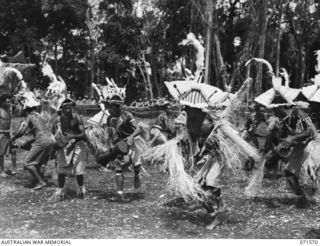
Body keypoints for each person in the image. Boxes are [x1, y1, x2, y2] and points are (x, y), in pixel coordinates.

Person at [96, 95, 143, 202]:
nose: (109, 110)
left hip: (133, 143)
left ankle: (136, 174)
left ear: (117, 106)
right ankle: (119, 194)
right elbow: (111, 134)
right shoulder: (109, 119)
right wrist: (111, 146)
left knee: (137, 167)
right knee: (118, 170)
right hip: (120, 145)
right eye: (108, 108)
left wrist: (131, 137)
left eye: (111, 107)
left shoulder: (127, 115)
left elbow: (139, 129)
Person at [9, 94, 56, 190]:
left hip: (43, 140)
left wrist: (13, 139)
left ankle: (41, 182)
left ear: (26, 108)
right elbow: (41, 130)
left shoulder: (30, 116)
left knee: (27, 163)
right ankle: (37, 180)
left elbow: (22, 132)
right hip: (51, 139)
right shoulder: (40, 116)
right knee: (37, 163)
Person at [51, 98, 88, 201]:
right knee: (61, 170)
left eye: (70, 108)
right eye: (66, 108)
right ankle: (60, 191)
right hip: (63, 145)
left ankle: (81, 191)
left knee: (78, 171)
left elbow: (83, 134)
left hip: (77, 144)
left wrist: (72, 137)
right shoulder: (57, 120)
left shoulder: (77, 117)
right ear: (62, 109)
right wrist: (58, 142)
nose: (69, 110)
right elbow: (53, 135)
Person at [0, 94, 17, 177]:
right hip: (1, 133)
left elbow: (19, 107)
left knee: (13, 151)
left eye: (9, 102)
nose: (9, 103)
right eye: (7, 102)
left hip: (9, 133)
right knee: (1, 153)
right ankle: (2, 170)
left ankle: (14, 169)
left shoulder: (9, 109)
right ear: (2, 102)